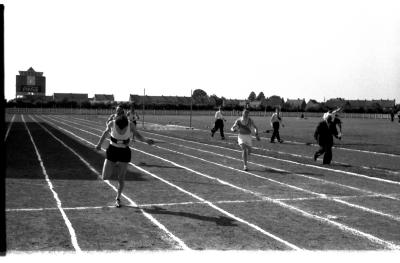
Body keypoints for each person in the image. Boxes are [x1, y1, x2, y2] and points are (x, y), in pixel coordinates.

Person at [95, 114, 154, 207]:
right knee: (105, 176)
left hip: (124, 152)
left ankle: (118, 198)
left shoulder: (130, 124)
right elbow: (105, 133)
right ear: (116, 124)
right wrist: (99, 144)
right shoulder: (112, 123)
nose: (122, 129)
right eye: (119, 127)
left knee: (121, 178)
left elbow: (137, 135)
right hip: (112, 151)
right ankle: (114, 166)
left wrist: (146, 140)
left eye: (124, 127)